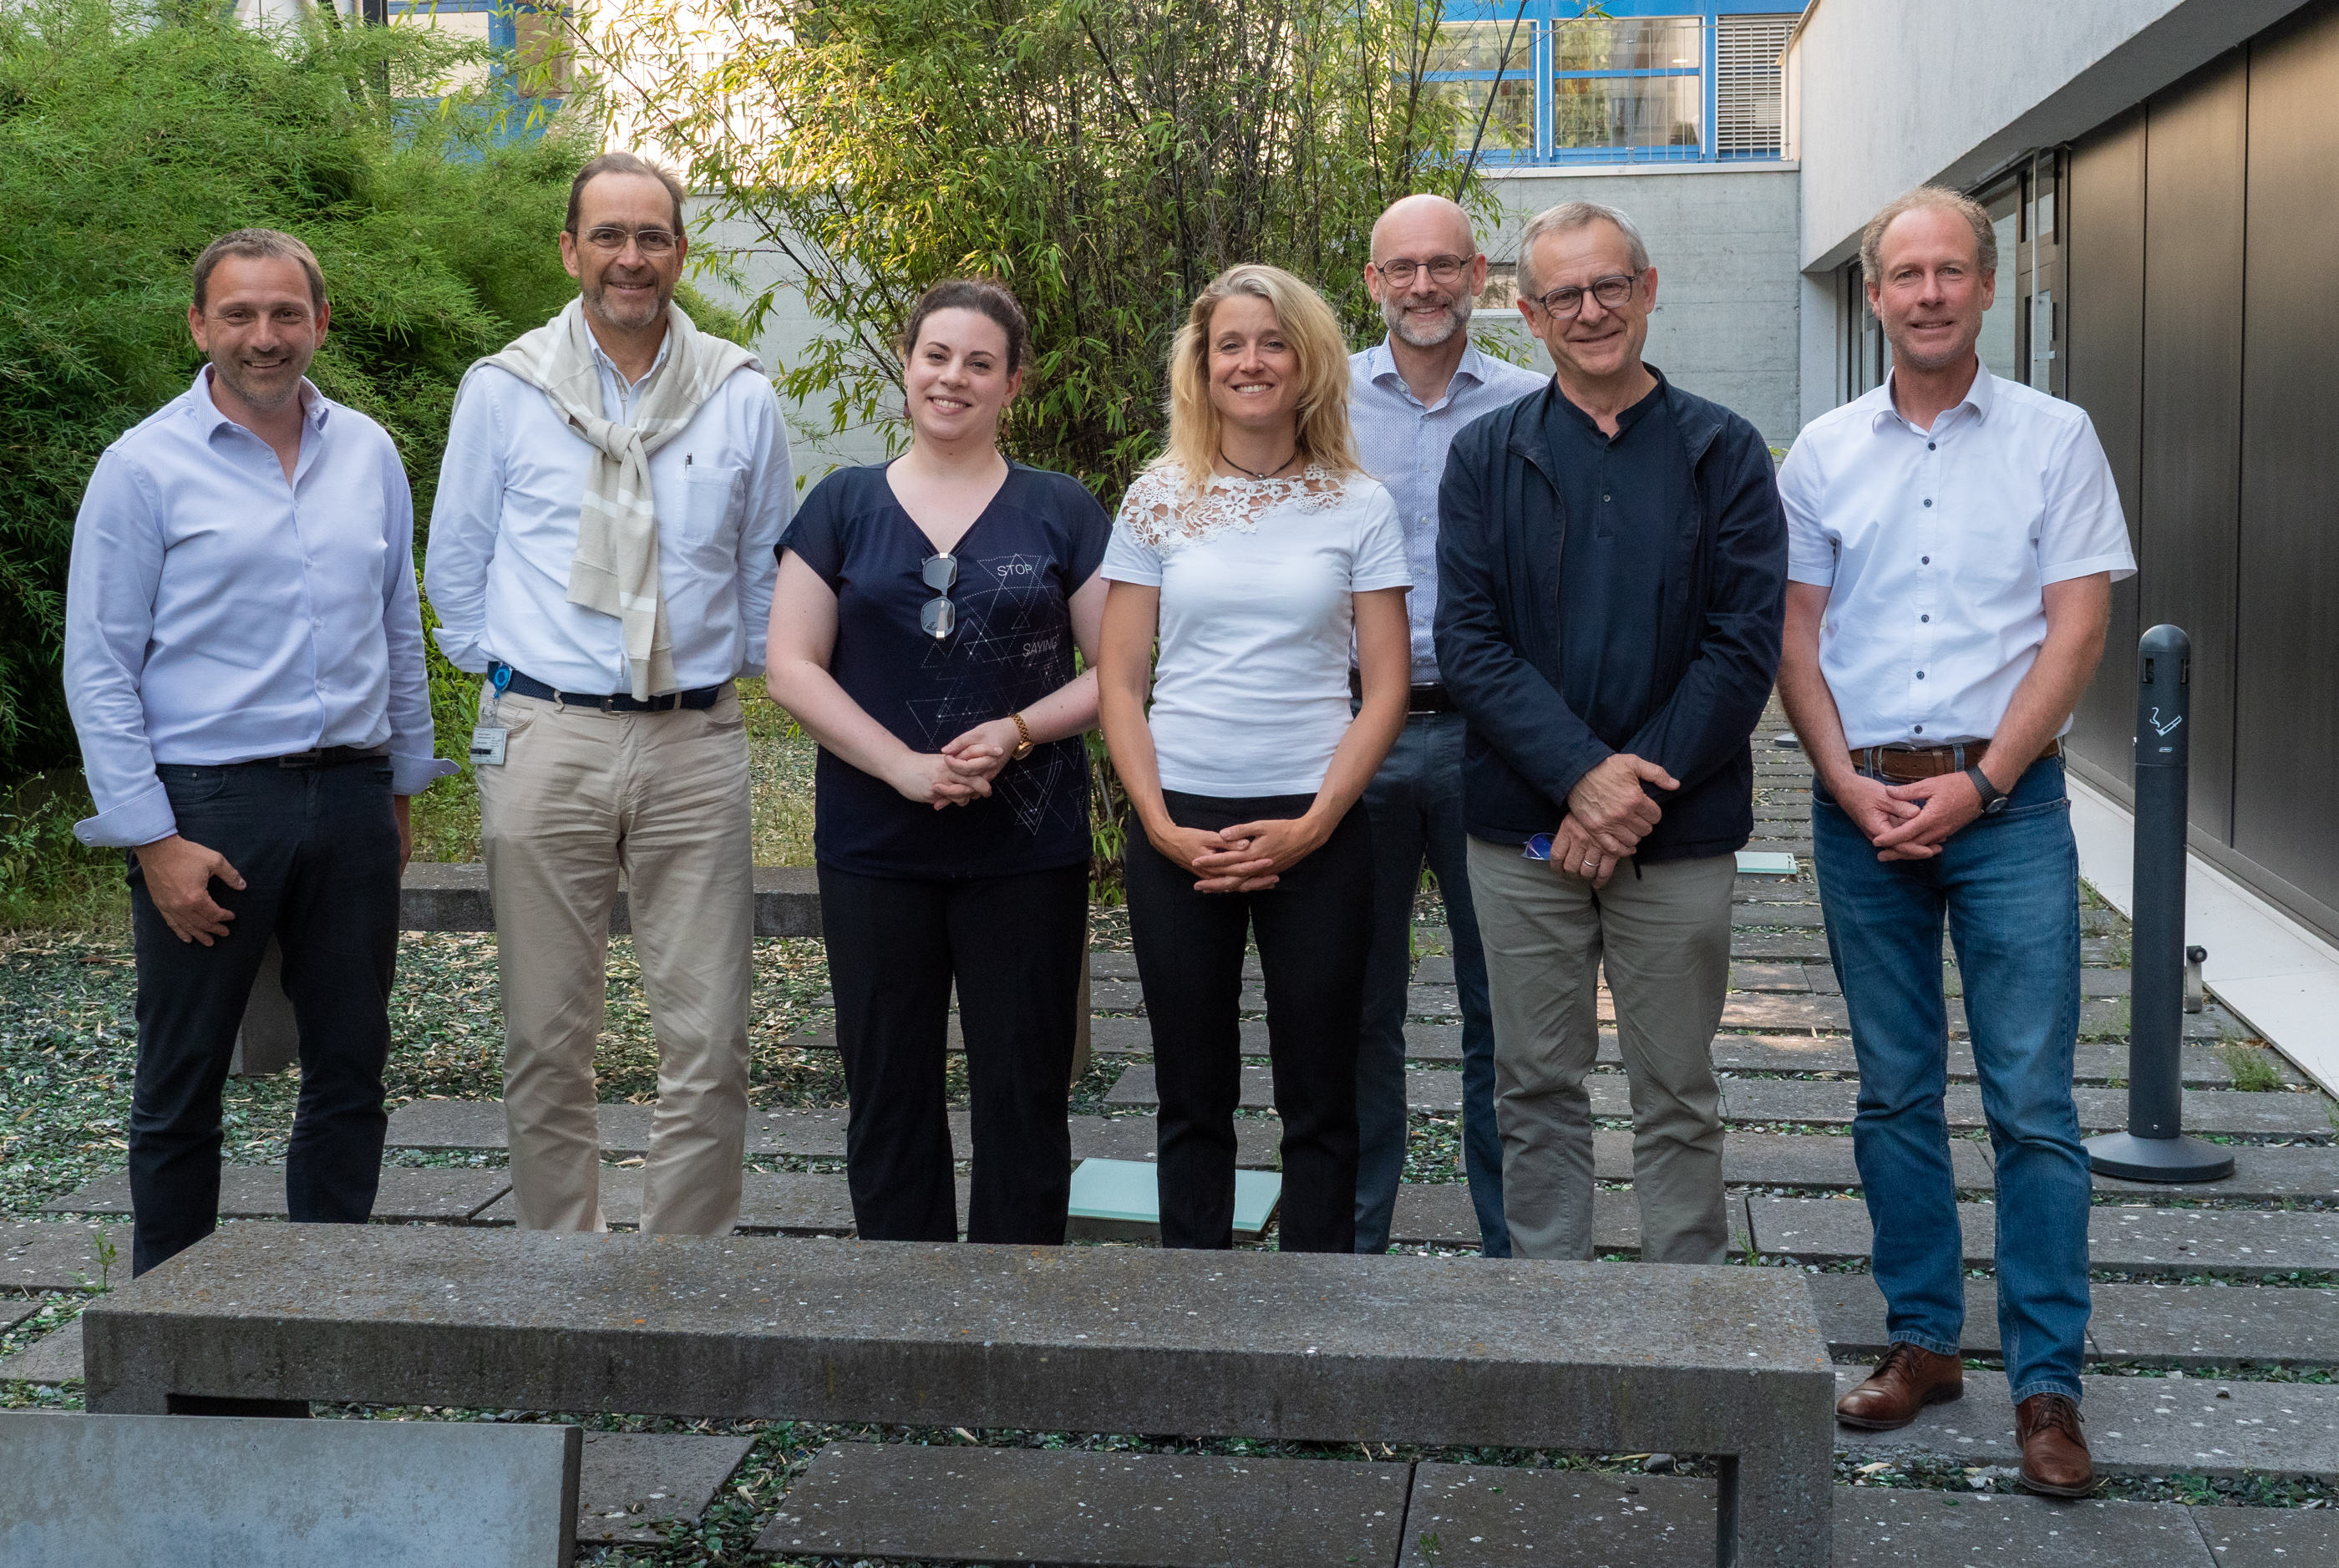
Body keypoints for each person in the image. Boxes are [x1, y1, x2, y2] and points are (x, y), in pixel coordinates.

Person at [1778, 185, 2130, 1498]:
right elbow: (1794, 635)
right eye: (1903, 274)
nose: (1926, 293)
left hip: (2011, 808)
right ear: (1873, 294)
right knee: (1892, 1091)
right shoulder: (1818, 452)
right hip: (1859, 803)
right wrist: (1841, 781)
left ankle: (2050, 1384)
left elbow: (2077, 631)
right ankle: (1925, 1341)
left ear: (1989, 286)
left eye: (1950, 272)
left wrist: (1983, 782)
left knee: (2035, 1107)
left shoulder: (2056, 438)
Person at [63, 228, 455, 1276]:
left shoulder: (367, 450)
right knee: (184, 1077)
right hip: (209, 813)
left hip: (353, 797)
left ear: (320, 322)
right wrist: (152, 837)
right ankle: (175, 1339)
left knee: (350, 1070)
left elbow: (396, 625)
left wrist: (403, 782)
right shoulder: (142, 467)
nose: (264, 335)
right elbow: (97, 665)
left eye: (286, 313)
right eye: (238, 314)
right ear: (199, 325)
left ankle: (318, 1309)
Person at [424, 151, 792, 1236]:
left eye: (652, 237)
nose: (630, 258)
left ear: (680, 252)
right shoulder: (504, 390)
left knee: (711, 1038)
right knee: (544, 1036)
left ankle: (682, 1280)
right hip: (544, 737)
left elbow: (764, 569)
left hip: (694, 743)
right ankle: (562, 1276)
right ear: (569, 249)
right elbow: (457, 567)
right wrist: (516, 685)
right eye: (609, 235)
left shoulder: (740, 395)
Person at [1435, 200, 1787, 1266]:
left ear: (1647, 287)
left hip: (1674, 832)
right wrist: (1582, 775)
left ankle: (1686, 1315)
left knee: (1677, 1086)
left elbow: (1742, 644)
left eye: (1608, 286)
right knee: (1532, 1082)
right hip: (1522, 837)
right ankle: (1554, 1318)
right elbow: (1470, 640)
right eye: (1563, 296)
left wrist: (1627, 793)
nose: (1590, 312)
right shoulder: (1485, 456)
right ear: (1528, 315)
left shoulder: (1722, 451)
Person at [764, 279, 1109, 1244]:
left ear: (1014, 384)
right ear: (906, 363)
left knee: (1025, 1089)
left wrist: (1019, 729)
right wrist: (901, 767)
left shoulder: (1062, 508)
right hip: (876, 844)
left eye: (979, 363)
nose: (952, 377)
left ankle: (1015, 1309)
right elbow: (791, 666)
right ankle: (900, 1312)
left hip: (1026, 846)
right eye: (936, 356)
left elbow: (1121, 671)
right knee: (886, 1090)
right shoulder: (842, 504)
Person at [1097, 263, 1413, 1253]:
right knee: (1192, 1092)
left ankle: (1311, 1344)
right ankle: (1196, 1330)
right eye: (1229, 342)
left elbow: (1387, 687)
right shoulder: (1156, 499)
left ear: (1307, 360)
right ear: (1201, 363)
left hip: (1316, 823)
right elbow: (1118, 680)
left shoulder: (1358, 502)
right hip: (1178, 814)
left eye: (1271, 341)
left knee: (1321, 1096)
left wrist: (1314, 824)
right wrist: (1156, 824)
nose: (1250, 361)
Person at [1347, 193, 1546, 1257]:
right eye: (1400, 268)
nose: (1422, 285)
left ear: (1480, 274)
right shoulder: (1315, 398)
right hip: (1349, 735)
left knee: (1504, 1011)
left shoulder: (1534, 400)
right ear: (1371, 281)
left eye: (1443, 265)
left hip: (1492, 738)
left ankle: (1514, 1260)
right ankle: (1354, 1250)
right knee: (1355, 1006)